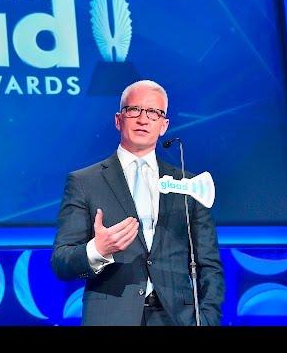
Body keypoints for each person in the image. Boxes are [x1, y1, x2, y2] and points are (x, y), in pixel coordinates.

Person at [51, 80, 224, 326]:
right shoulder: (84, 182)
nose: (143, 119)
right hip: (111, 318)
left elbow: (209, 264)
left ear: (164, 126)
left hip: (178, 319)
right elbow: (62, 262)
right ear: (118, 119)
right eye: (134, 110)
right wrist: (97, 250)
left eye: (154, 113)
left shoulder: (189, 184)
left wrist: (207, 319)